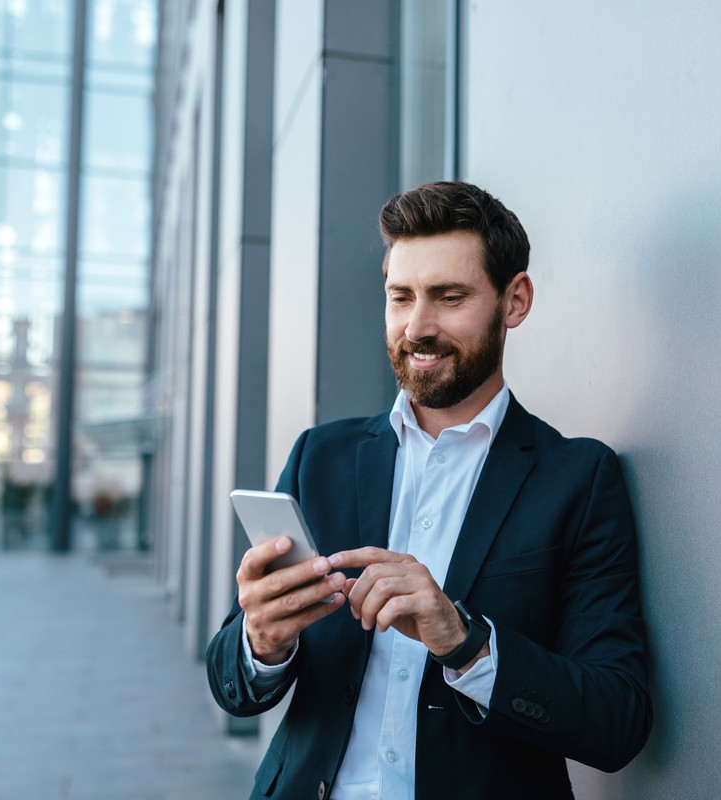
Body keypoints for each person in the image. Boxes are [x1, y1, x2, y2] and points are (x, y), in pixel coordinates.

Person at [207, 181, 652, 800]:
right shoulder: (320, 458)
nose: (418, 326)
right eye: (401, 297)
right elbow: (233, 683)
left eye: (449, 297)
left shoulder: (577, 479)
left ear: (514, 300)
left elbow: (617, 719)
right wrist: (262, 640)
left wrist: (466, 641)